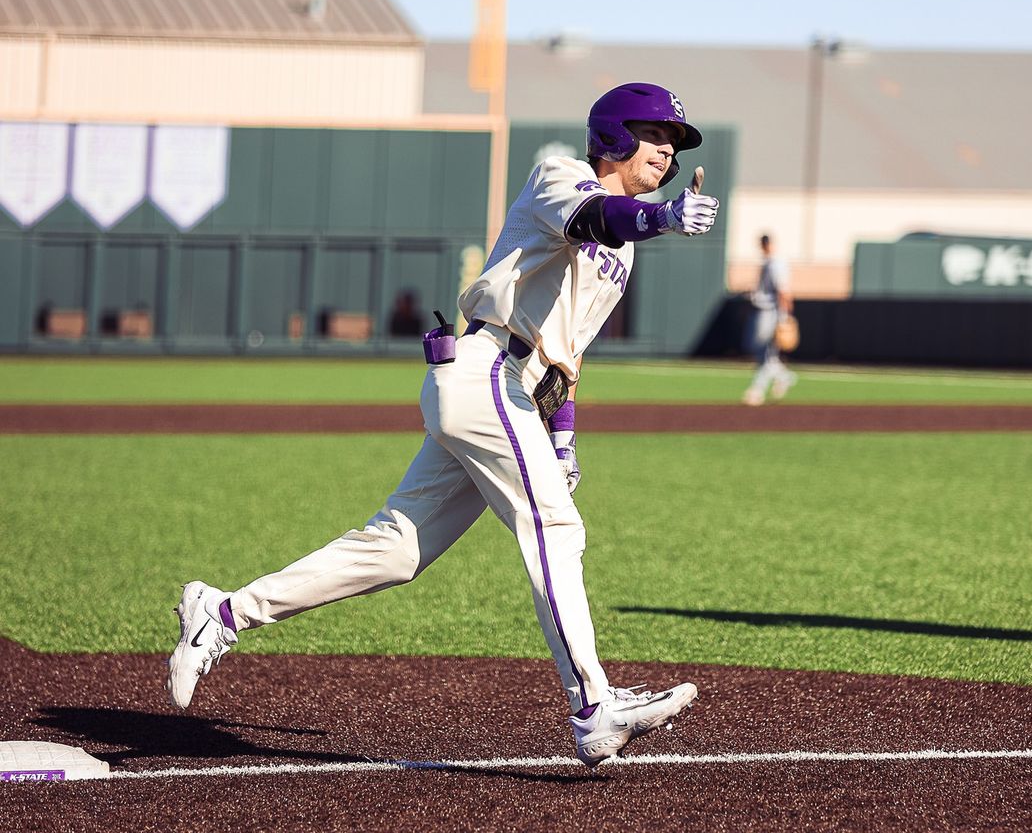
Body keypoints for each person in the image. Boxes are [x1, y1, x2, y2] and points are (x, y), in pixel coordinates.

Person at [166, 82, 720, 767]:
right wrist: (664, 218)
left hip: (518, 390)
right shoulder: (562, 177)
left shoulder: (628, 246)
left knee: (397, 550)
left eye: (675, 143)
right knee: (555, 527)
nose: (667, 150)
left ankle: (221, 612)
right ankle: (593, 707)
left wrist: (564, 437)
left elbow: (567, 351)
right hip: (488, 371)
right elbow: (594, 219)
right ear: (612, 134)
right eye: (655, 134)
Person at [742, 233, 797, 405]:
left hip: (772, 311)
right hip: (762, 310)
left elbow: (784, 292)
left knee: (766, 353)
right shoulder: (768, 262)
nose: (764, 247)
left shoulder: (776, 264)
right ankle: (786, 376)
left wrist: (784, 316)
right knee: (762, 352)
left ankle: (757, 390)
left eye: (766, 244)